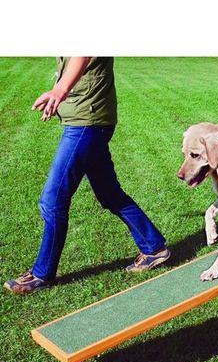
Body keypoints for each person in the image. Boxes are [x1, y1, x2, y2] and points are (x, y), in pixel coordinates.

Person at [4, 57, 170, 295]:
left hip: (87, 123)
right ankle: (154, 247)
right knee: (110, 194)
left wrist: (60, 90)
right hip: (88, 120)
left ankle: (42, 274)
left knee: (53, 199)